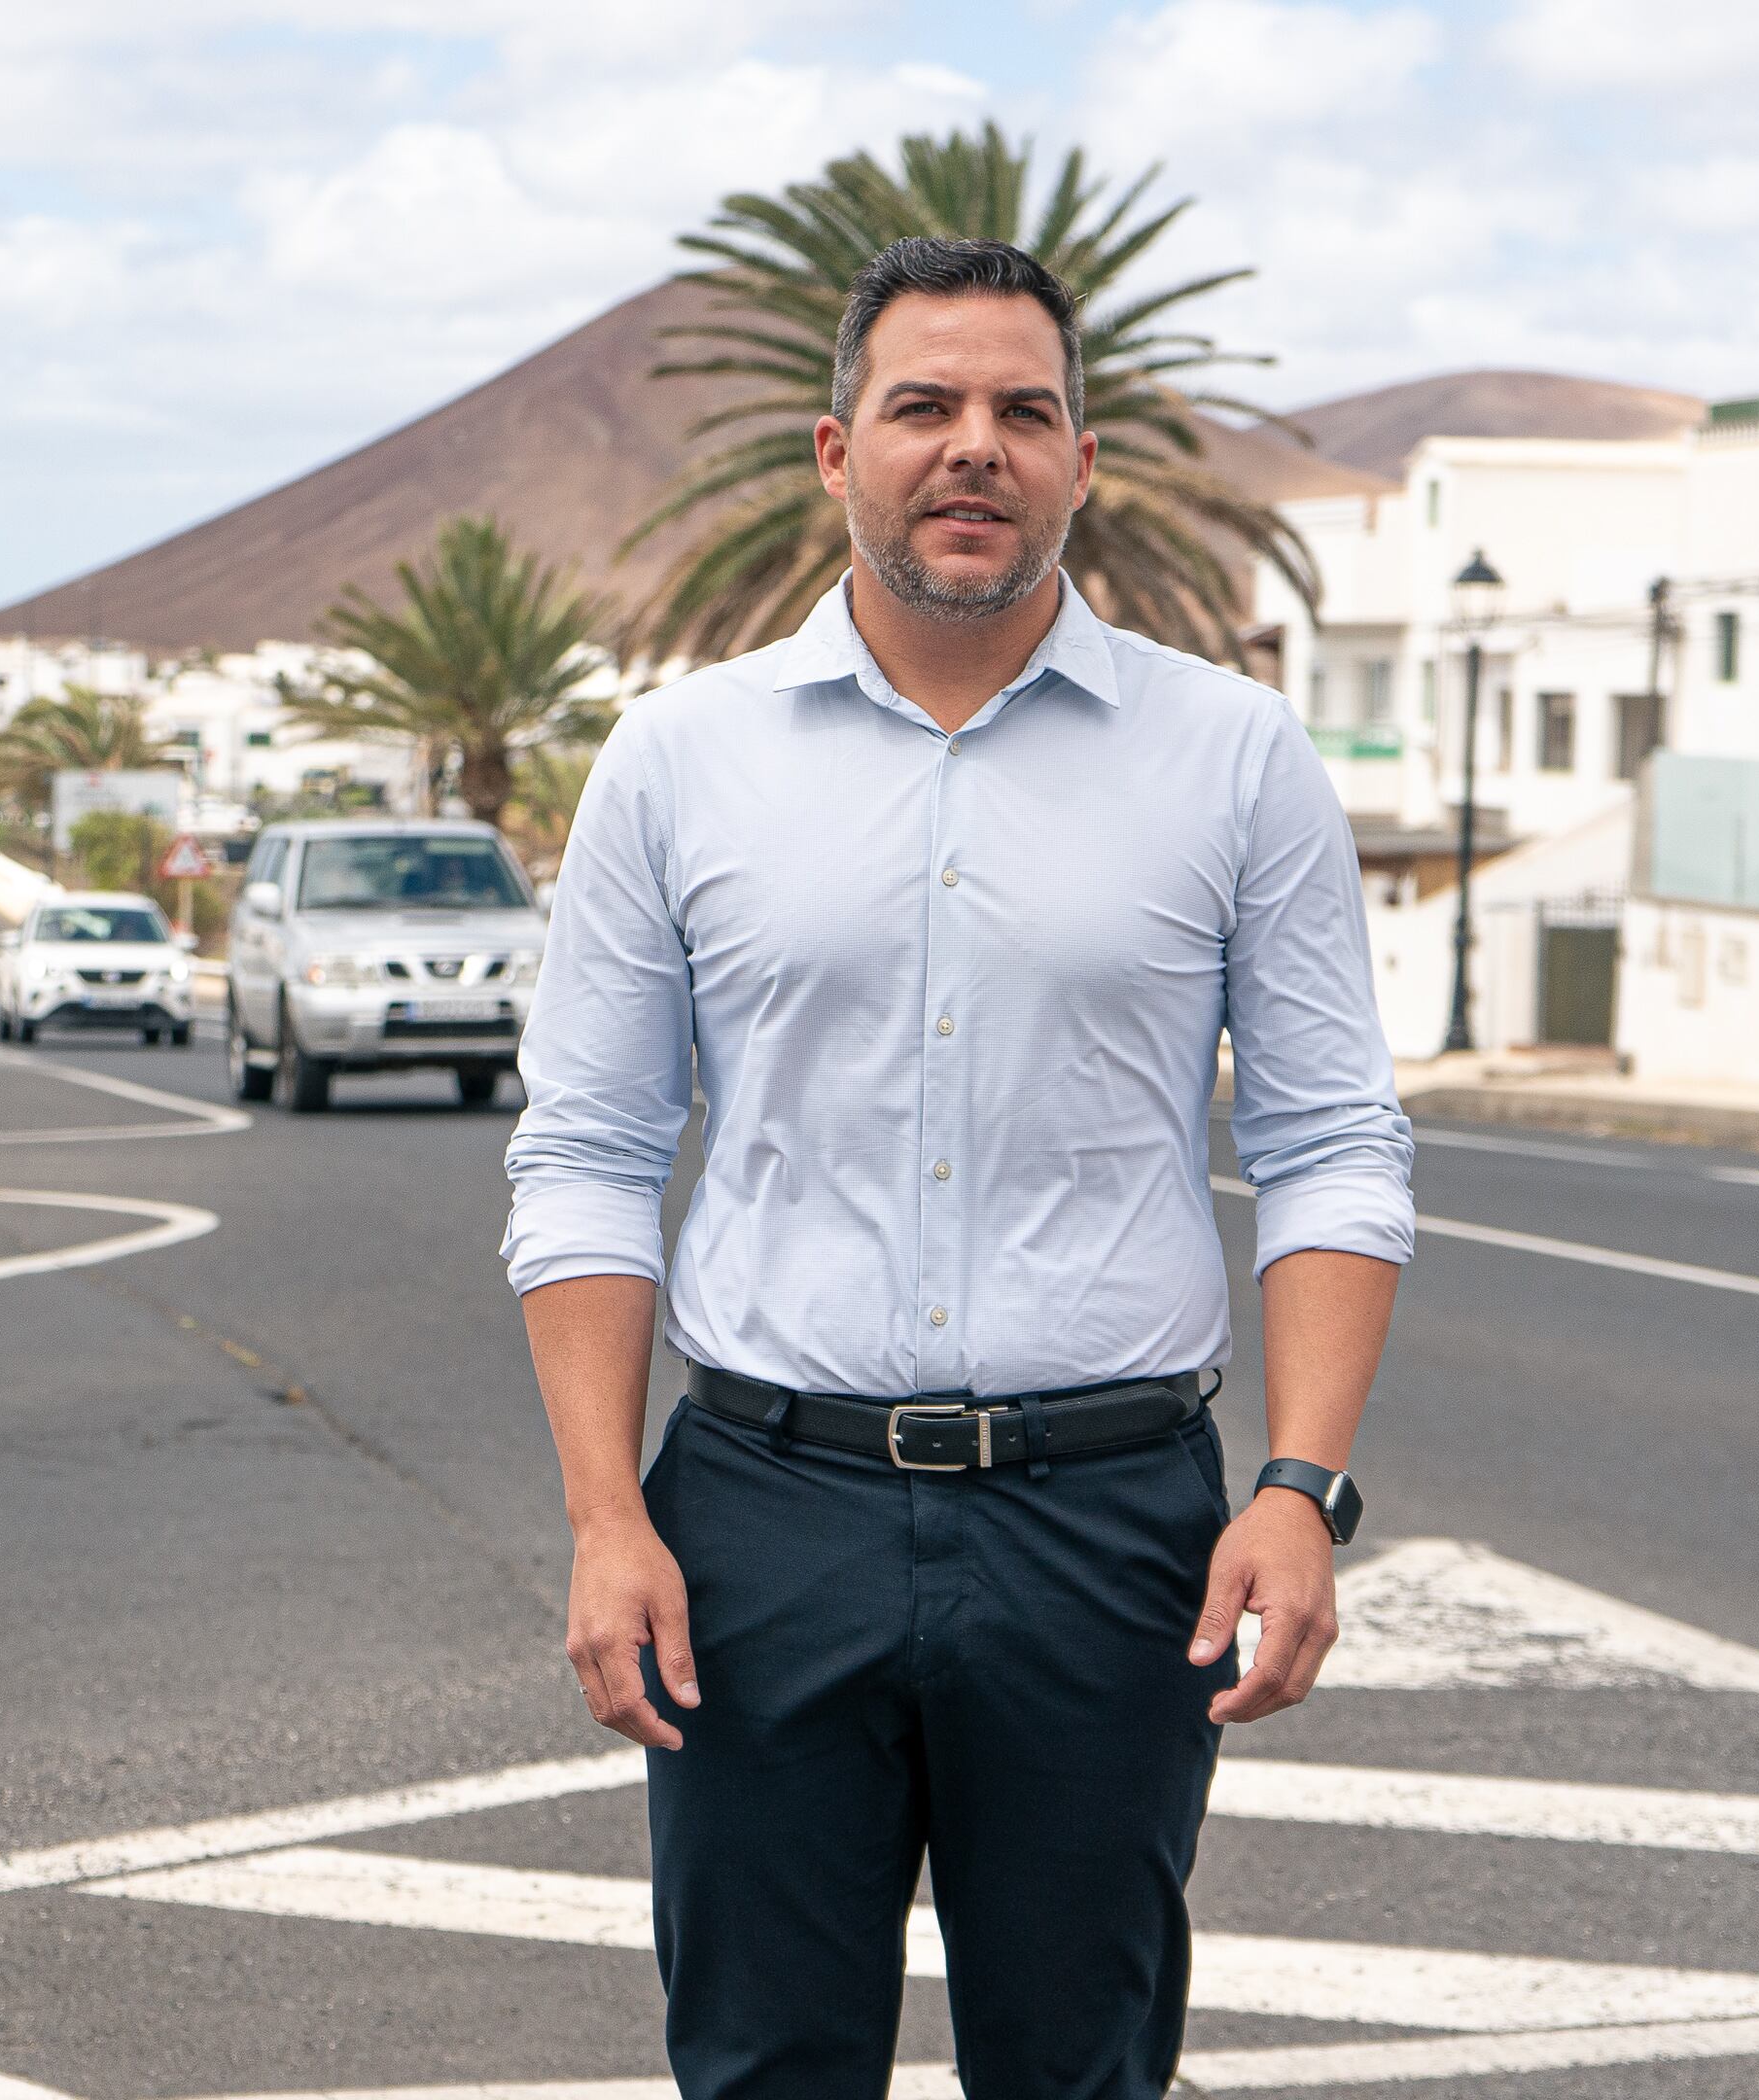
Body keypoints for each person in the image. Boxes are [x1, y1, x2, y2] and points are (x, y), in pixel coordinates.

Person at [503, 235, 1416, 2100]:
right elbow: (591, 1152)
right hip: (761, 1522)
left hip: (1112, 1530)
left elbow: (1328, 1142)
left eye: (1025, 411)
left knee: (1082, 2069)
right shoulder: (677, 762)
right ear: (839, 455)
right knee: (761, 2065)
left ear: (1086, 462)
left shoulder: (1233, 757)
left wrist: (1302, 1488)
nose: (974, 446)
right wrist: (610, 1520)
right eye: (924, 405)